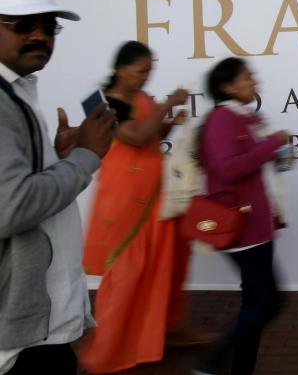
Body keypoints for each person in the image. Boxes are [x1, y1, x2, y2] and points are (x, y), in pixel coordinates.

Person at [0, 0, 115, 375]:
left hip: (33, 326)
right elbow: (11, 208)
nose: (39, 36)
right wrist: (84, 156)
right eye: (22, 25)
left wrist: (57, 156)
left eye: (48, 27)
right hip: (19, 337)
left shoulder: (16, 91)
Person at [79, 41, 206, 373]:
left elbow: (151, 134)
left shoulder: (143, 99)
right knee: (126, 272)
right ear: (121, 69)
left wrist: (170, 122)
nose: (145, 78)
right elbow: (134, 136)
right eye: (140, 71)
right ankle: (106, 352)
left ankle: (162, 331)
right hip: (125, 200)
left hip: (154, 196)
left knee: (164, 264)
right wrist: (168, 105)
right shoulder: (102, 103)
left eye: (150, 71)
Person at [194, 57, 290, 375]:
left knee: (257, 303)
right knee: (268, 302)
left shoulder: (245, 117)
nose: (254, 82)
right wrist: (272, 144)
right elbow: (228, 168)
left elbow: (250, 161)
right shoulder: (223, 119)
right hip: (242, 228)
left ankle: (236, 368)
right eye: (247, 77)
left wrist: (277, 153)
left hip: (256, 225)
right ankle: (212, 359)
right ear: (227, 86)